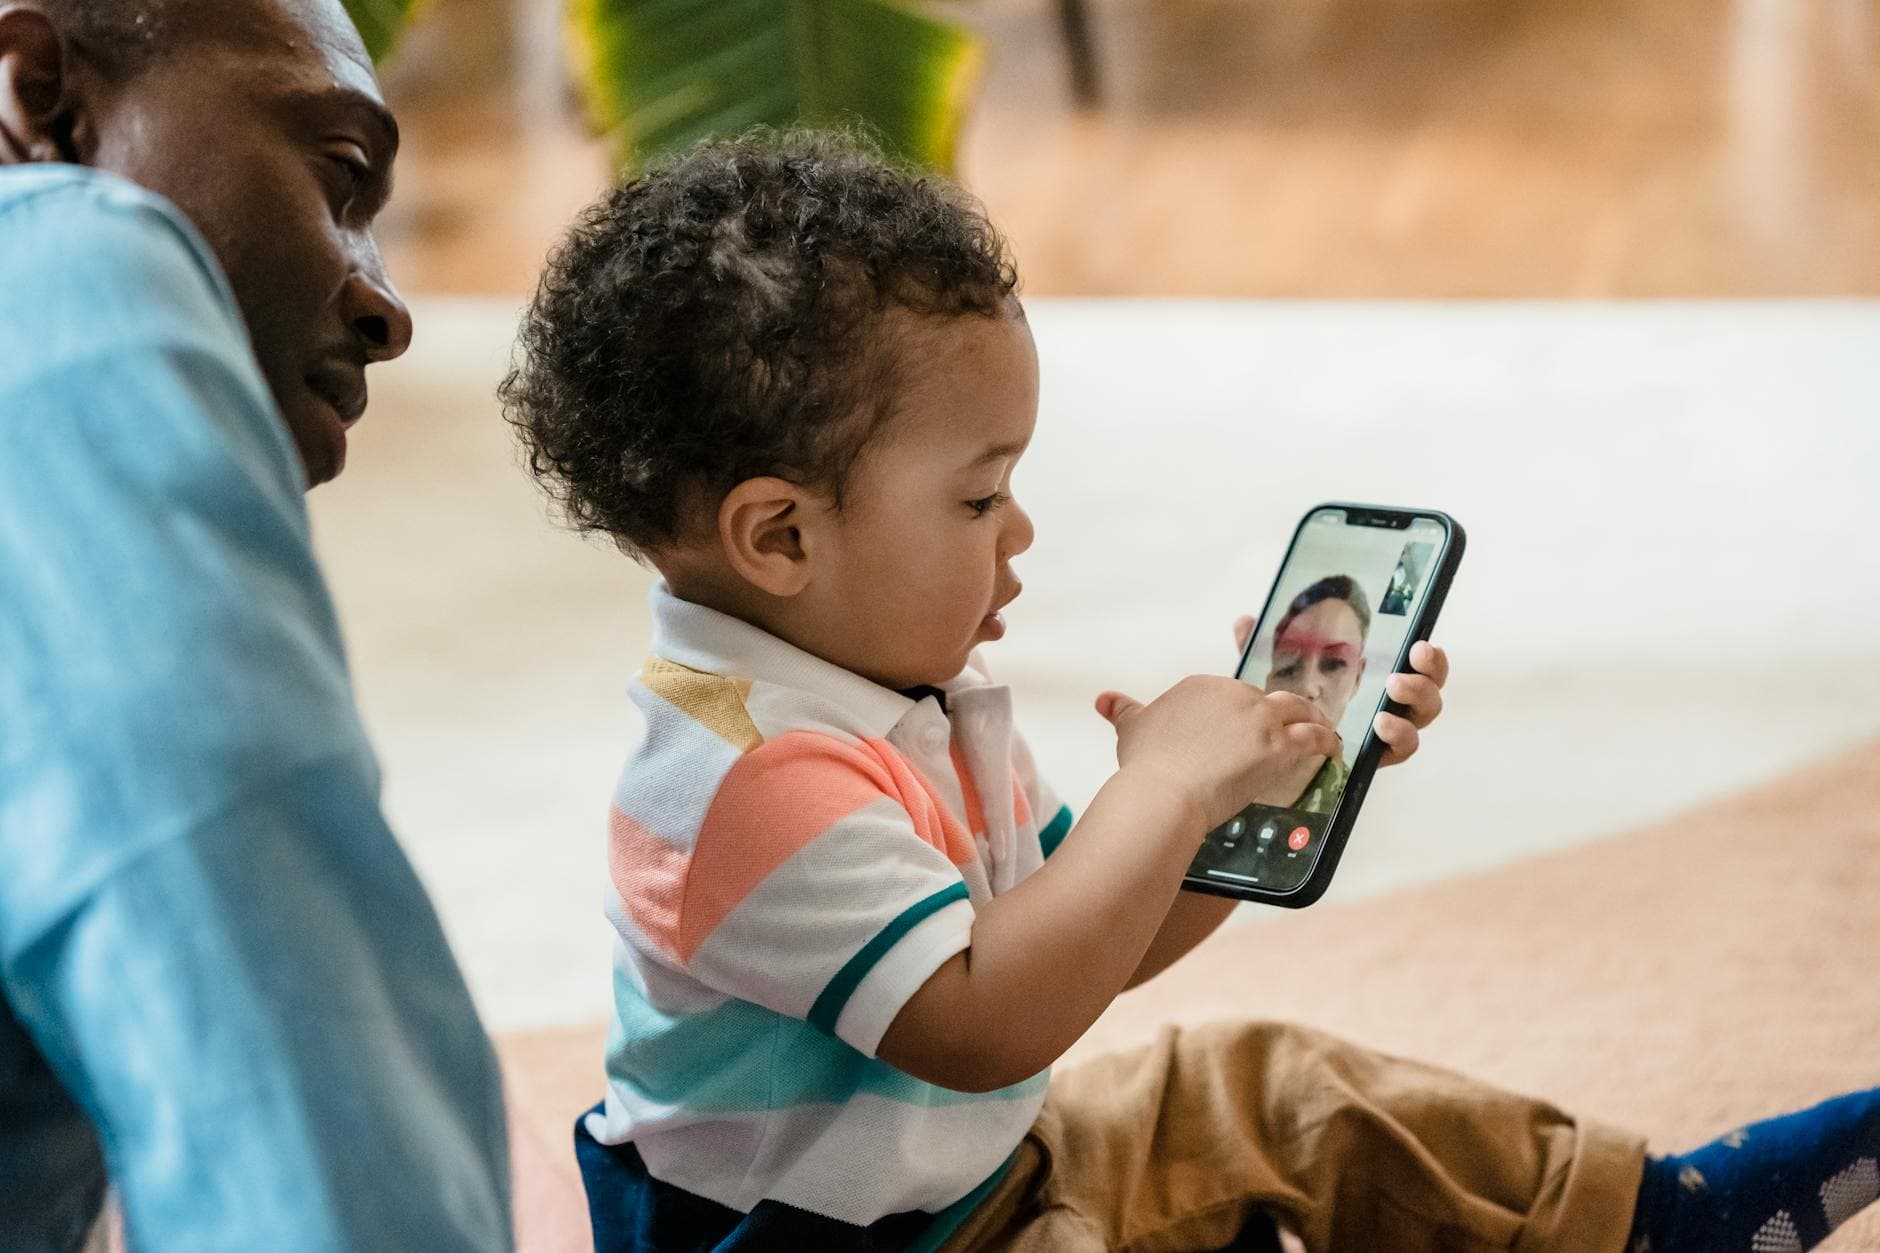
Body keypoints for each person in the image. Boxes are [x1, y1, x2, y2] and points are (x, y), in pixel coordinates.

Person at [500, 131, 1880, 1252]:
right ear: (781, 537)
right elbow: (987, 1023)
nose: (1019, 532)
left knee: (1269, 1085)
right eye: (980, 495)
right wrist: (1160, 788)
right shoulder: (740, 788)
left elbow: (1092, 938)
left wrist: (1264, 783)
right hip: (848, 1244)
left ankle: (1648, 1223)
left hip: (980, 1182)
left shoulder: (909, 692)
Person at [0, 2, 511, 1248]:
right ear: (41, 101)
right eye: (340, 176)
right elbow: (290, 1089)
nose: (388, 308)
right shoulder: (57, 269)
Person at [1263, 574, 1372, 814]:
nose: (1307, 688)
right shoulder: (1214, 778)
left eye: (1334, 663)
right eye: (1288, 668)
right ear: (1269, 681)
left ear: (1357, 678)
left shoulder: (1359, 804)